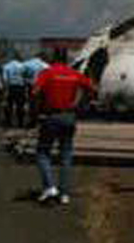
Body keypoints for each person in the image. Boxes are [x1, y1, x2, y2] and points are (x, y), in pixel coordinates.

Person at [32, 50, 94, 205]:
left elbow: (35, 91)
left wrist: (36, 111)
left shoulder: (47, 73)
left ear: (53, 59)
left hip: (51, 116)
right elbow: (92, 88)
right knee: (66, 155)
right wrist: (78, 102)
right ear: (67, 60)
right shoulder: (74, 74)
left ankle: (50, 187)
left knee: (42, 152)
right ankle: (64, 193)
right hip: (69, 117)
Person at [22, 53, 50, 128]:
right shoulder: (45, 65)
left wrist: (26, 80)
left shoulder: (26, 64)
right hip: (42, 86)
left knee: (32, 103)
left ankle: (32, 120)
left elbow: (22, 74)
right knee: (42, 103)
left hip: (31, 85)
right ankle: (41, 120)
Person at [2, 54, 26, 127]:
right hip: (20, 87)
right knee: (20, 105)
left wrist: (5, 90)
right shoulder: (23, 66)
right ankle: (20, 122)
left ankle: (9, 122)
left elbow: (5, 79)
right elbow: (25, 77)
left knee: (9, 105)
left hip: (11, 87)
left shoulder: (6, 66)